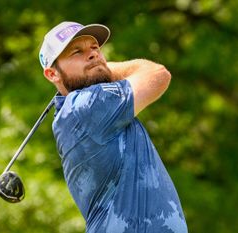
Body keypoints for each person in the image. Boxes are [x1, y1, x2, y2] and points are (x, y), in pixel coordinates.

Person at [39, 21, 188, 233]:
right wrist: (102, 67)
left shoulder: (83, 108)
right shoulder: (85, 106)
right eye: (76, 52)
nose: (92, 54)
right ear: (53, 74)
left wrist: (96, 67)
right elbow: (158, 75)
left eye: (95, 48)